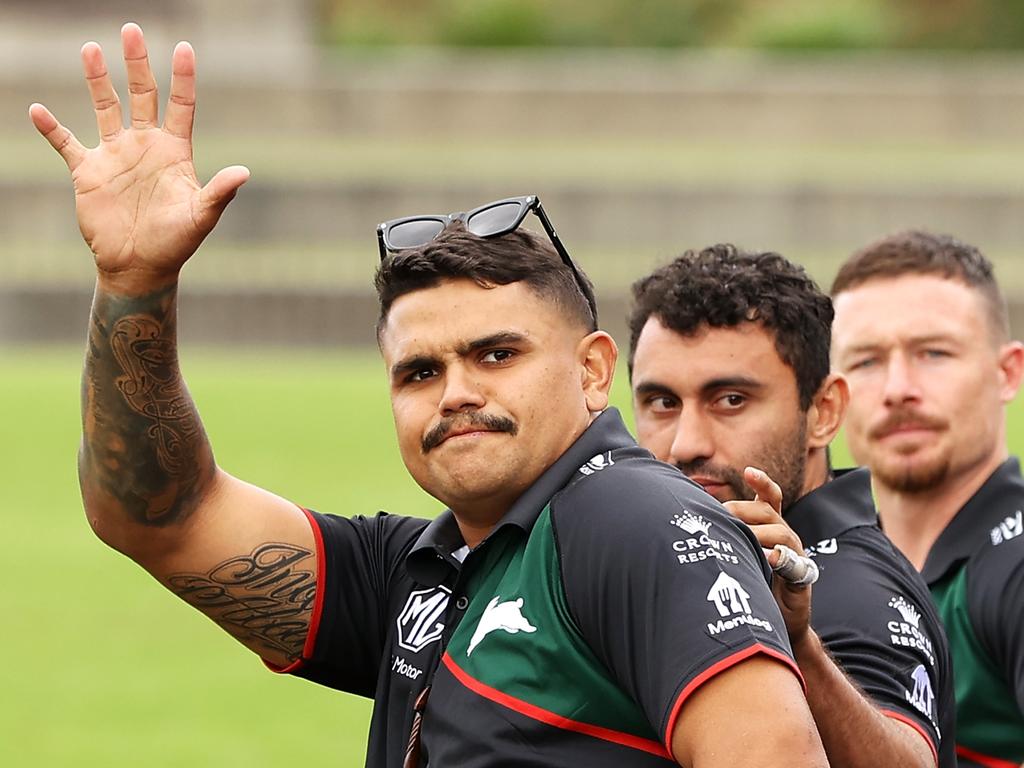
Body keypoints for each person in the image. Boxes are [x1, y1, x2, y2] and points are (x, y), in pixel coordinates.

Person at [29, 24, 829, 768]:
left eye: (496, 353)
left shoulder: (635, 525)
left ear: (592, 371)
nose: (456, 392)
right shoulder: (429, 568)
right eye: (420, 371)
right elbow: (157, 513)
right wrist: (135, 285)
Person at [627, 245, 956, 768]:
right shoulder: (681, 552)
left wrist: (799, 643)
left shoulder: (851, 587)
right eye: (662, 403)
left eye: (731, 399)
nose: (685, 443)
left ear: (823, 412)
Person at [831, 230, 1024, 768]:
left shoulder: (1014, 567)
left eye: (932, 353)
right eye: (866, 361)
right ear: (830, 395)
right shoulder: (822, 561)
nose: (898, 388)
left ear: (1007, 372)